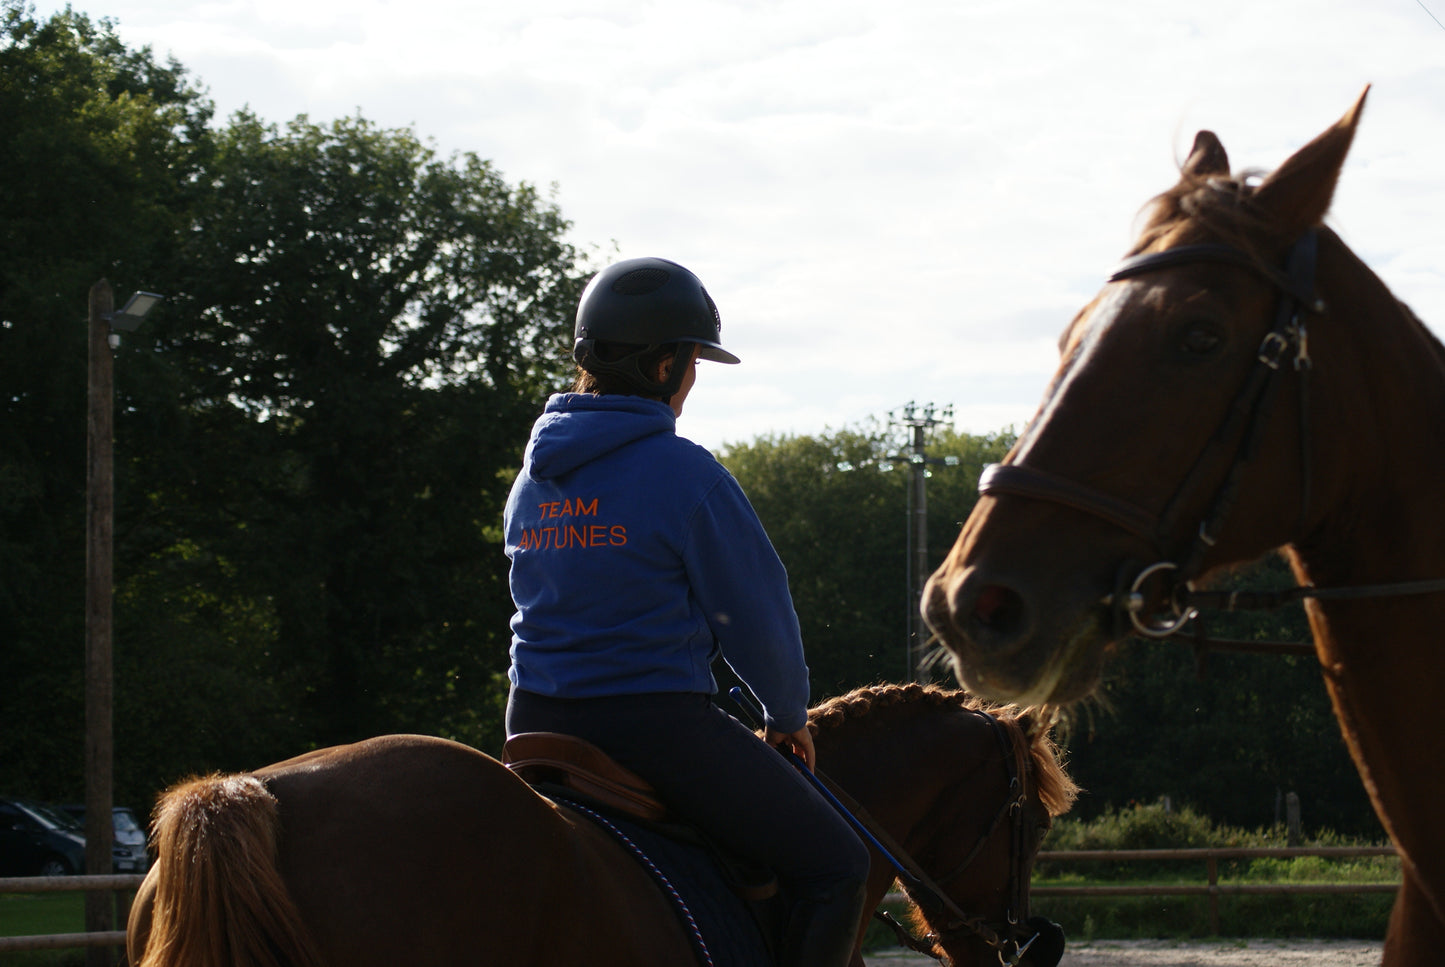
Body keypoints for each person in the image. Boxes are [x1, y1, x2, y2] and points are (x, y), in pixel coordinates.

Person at [503, 256, 870, 967]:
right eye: (694, 360)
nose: (692, 379)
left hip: (532, 719)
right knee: (835, 865)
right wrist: (786, 715)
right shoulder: (685, 472)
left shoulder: (533, 478)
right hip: (652, 726)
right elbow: (756, 613)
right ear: (666, 366)